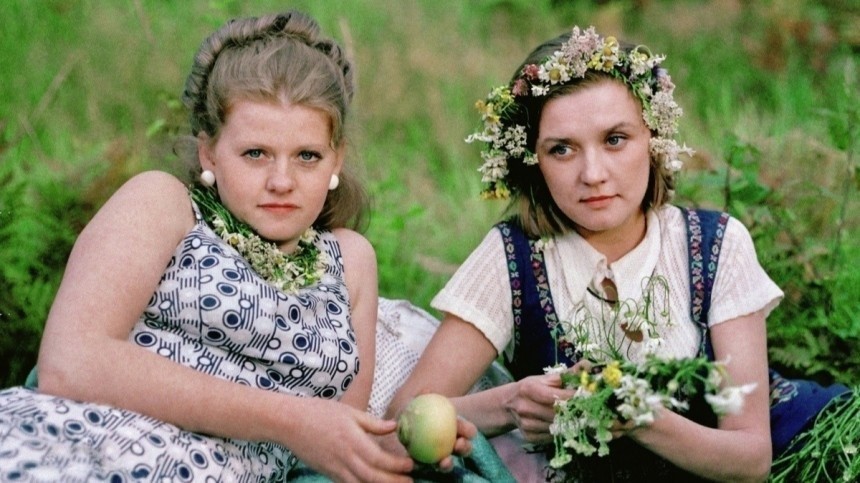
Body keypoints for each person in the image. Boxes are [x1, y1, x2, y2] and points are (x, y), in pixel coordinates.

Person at [0, 10, 420, 482]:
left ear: (336, 159)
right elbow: (69, 363)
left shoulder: (350, 261)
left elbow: (345, 443)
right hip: (71, 447)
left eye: (307, 156)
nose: (282, 181)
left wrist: (450, 423)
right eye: (255, 153)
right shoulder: (164, 204)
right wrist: (290, 420)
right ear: (209, 152)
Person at [385, 26, 784, 482]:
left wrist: (635, 416)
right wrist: (509, 404)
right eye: (562, 149)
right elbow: (403, 421)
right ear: (533, 162)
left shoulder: (716, 246)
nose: (593, 174)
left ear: (652, 139)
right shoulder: (513, 256)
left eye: (615, 140)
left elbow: (751, 460)